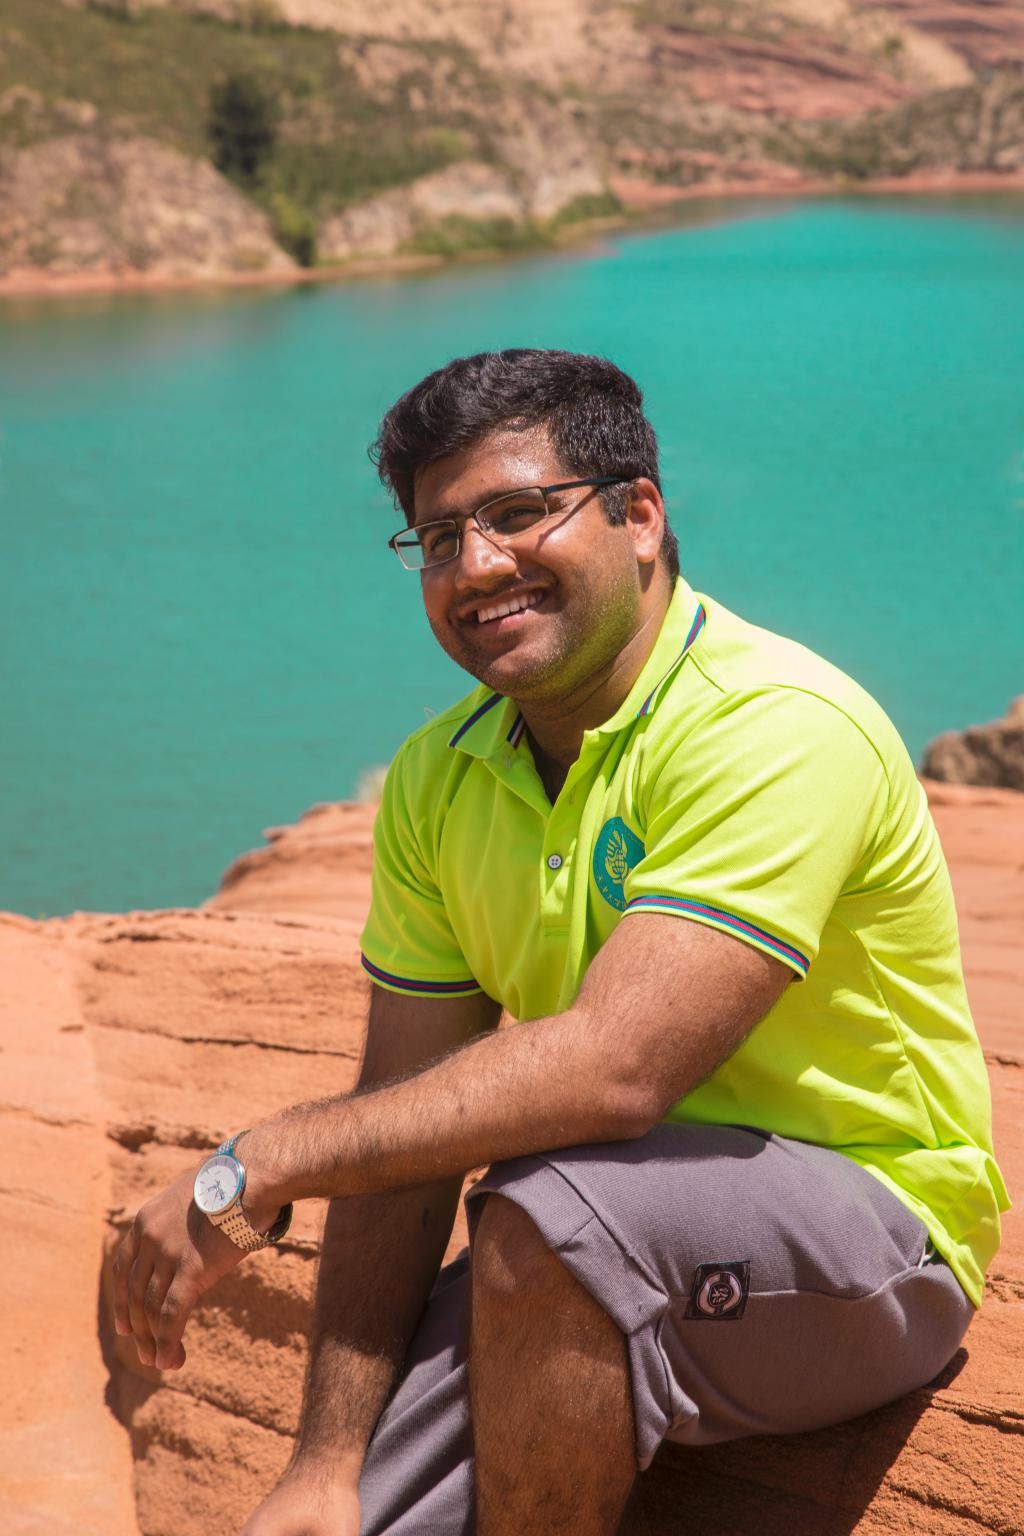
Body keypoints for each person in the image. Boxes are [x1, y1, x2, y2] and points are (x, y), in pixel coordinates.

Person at [112, 349, 1008, 1536]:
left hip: (873, 1245)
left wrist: (261, 1162)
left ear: (638, 516)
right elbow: (404, 1130)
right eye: (439, 537)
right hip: (592, 1238)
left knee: (546, 1204)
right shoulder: (440, 775)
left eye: (519, 513)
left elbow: (614, 1069)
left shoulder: (773, 726)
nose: (477, 566)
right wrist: (324, 1465)